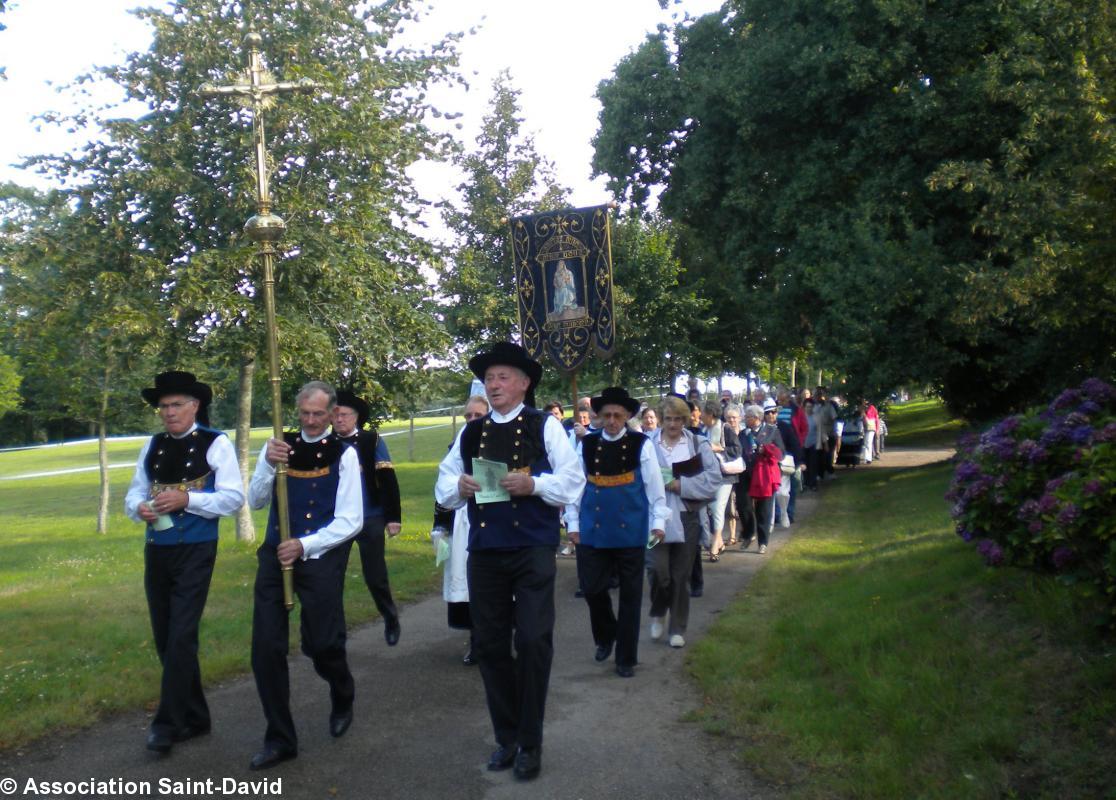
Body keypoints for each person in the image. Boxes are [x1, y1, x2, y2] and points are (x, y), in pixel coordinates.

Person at [435, 342, 585, 782]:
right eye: (490, 379)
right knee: (491, 645)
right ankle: (508, 737)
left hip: (533, 548)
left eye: (503, 377)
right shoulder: (469, 433)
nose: (494, 385)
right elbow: (443, 486)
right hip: (485, 552)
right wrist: (459, 487)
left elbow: (573, 482)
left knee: (535, 640)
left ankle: (531, 742)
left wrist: (533, 485)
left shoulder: (545, 426)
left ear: (523, 384)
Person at [125, 371, 244, 755]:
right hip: (157, 548)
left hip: (196, 548)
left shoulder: (216, 443)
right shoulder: (154, 445)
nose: (169, 412)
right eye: (163, 406)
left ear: (195, 407)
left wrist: (188, 501)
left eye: (176, 404)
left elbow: (233, 498)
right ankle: (195, 716)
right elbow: (134, 493)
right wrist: (140, 508)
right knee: (165, 636)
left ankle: (167, 723)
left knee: (181, 635)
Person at [246, 381, 363, 770]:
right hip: (274, 555)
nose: (311, 421)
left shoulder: (344, 455)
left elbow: (351, 520)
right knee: (266, 648)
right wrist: (266, 461)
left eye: (318, 414)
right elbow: (257, 500)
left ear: (332, 414)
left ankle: (342, 690)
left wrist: (305, 544)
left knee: (322, 644)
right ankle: (280, 738)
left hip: (320, 557)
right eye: (304, 414)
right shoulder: (281, 447)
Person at [565, 387, 667, 678]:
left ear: (627, 417)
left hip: (631, 530)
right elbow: (575, 486)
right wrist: (572, 524)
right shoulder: (586, 444)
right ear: (599, 416)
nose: (611, 420)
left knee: (631, 596)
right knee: (592, 588)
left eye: (617, 415)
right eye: (606, 415)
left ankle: (626, 657)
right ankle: (606, 633)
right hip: (593, 529)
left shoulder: (641, 444)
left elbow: (653, 486)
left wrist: (658, 520)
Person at [648, 395, 720, 648]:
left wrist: (682, 485)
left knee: (680, 574)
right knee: (659, 571)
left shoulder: (698, 444)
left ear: (686, 420)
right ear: (661, 419)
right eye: (668, 419)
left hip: (688, 514)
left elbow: (713, 480)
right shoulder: (647, 444)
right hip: (655, 518)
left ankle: (677, 627)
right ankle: (658, 611)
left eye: (678, 419)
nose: (673, 424)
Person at [332, 390, 402, 647]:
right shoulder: (327, 444)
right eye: (335, 414)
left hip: (370, 515)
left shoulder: (371, 440)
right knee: (332, 576)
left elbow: (387, 480)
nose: (339, 419)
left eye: (344, 415)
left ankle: (390, 616)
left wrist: (393, 517)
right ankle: (336, 632)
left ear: (356, 417)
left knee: (375, 574)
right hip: (337, 520)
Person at [431, 394, 491, 666]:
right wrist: (440, 526)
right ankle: (476, 640)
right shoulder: (459, 444)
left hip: (497, 520)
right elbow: (445, 484)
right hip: (465, 519)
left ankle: (499, 638)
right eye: (468, 416)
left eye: (478, 415)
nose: (472, 420)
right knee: (468, 583)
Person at [736, 403, 785, 554]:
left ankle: (763, 541)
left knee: (763, 508)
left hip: (764, 474)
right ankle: (749, 534)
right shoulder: (743, 433)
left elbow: (781, 453)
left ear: (757, 418)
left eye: (748, 417)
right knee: (743, 505)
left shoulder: (772, 431)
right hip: (745, 473)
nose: (745, 419)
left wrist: (767, 450)